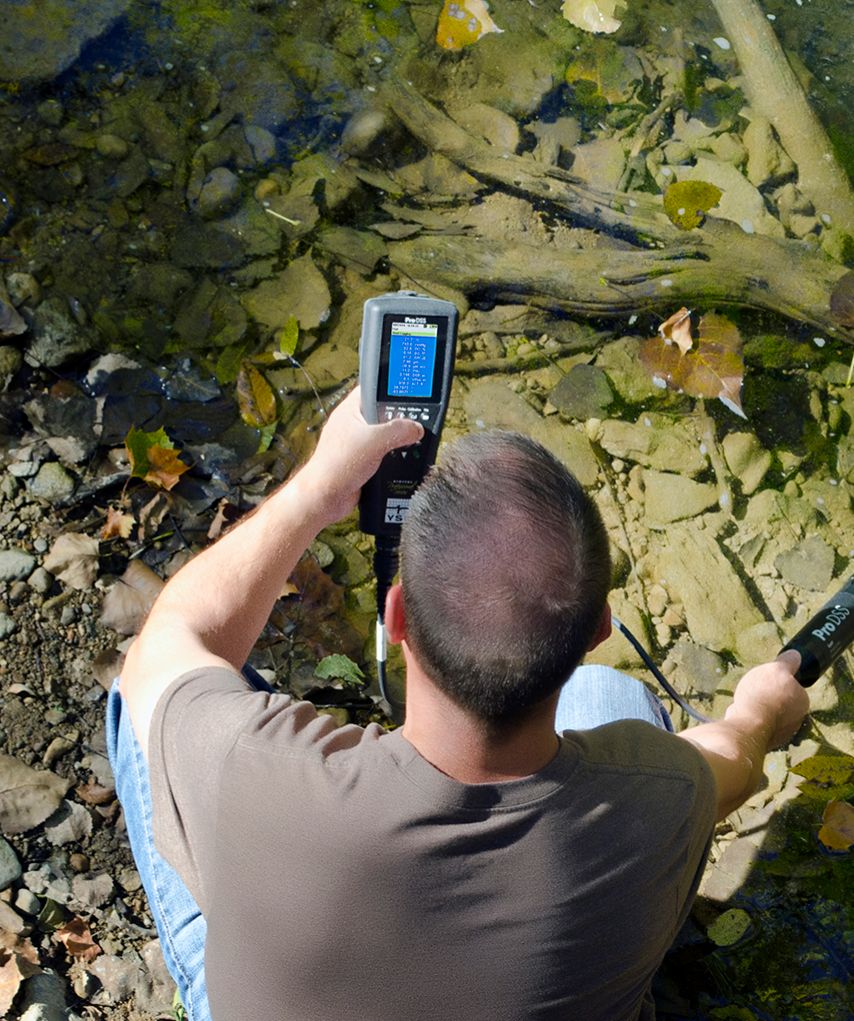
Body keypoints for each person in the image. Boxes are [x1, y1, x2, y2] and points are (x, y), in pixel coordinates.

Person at [108, 387, 809, 1021]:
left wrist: (319, 488)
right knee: (613, 695)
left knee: (152, 704)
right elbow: (734, 758)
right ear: (599, 628)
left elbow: (165, 643)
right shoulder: (662, 795)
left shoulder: (261, 775)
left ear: (398, 615)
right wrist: (759, 712)